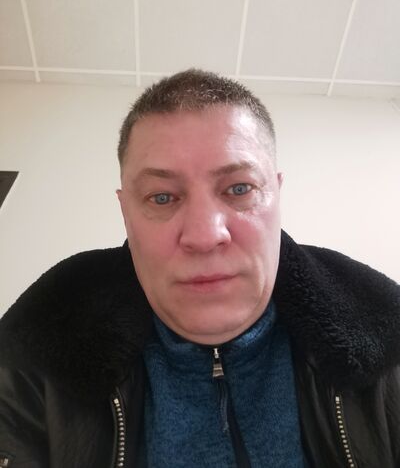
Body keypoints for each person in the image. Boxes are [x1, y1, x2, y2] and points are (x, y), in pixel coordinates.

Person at [0, 69, 399, 468]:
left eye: (239, 189)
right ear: (126, 212)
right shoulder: (31, 358)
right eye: (162, 197)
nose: (204, 236)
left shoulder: (388, 343)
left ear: (277, 195)